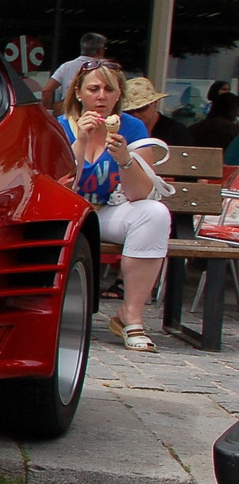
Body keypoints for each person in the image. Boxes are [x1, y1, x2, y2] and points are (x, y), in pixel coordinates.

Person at [58, 59, 170, 352]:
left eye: (110, 89)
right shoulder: (59, 127)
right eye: (94, 88)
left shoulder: (131, 128)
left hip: (107, 212)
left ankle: (130, 315)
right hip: (68, 213)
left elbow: (140, 193)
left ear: (119, 94)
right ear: (79, 93)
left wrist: (125, 159)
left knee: (155, 214)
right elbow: (58, 188)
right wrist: (81, 141)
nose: (101, 96)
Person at [40, 32, 106, 112]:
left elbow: (47, 90)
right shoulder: (106, 68)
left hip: (69, 111)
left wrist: (46, 112)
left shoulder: (66, 67)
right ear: (100, 50)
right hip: (96, 111)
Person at [121, 77, 193, 147]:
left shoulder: (177, 132)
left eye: (141, 108)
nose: (135, 114)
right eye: (129, 111)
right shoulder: (120, 129)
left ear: (155, 103)